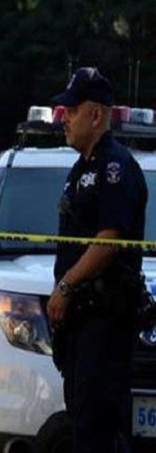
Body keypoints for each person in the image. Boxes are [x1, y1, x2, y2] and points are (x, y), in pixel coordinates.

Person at [47, 67, 147, 453]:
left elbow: (108, 242)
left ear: (95, 115)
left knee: (98, 430)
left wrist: (66, 286)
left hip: (105, 318)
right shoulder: (81, 169)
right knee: (83, 424)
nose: (64, 118)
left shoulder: (115, 167)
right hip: (82, 322)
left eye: (72, 110)